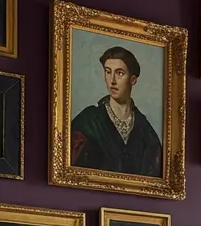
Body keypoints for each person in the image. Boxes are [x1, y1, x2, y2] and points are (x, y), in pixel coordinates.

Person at [70, 45, 163, 177]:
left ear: (133, 80)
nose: (112, 81)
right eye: (108, 72)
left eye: (119, 73)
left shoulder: (145, 130)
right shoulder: (88, 121)